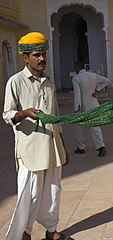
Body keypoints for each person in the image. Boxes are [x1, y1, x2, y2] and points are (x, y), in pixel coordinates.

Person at [3, 32, 73, 240]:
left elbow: (56, 116)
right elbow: (7, 115)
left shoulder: (49, 82)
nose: (42, 59)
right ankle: (25, 233)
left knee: (53, 191)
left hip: (52, 146)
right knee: (30, 194)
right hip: (30, 149)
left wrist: (63, 146)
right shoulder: (15, 82)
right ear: (25, 57)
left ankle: (51, 231)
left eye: (43, 54)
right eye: (36, 55)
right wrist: (23, 113)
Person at [72, 60, 111, 157]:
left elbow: (77, 95)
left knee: (80, 127)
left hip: (82, 107)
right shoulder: (93, 76)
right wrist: (97, 90)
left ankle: (81, 147)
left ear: (77, 68)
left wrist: (76, 108)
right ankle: (101, 146)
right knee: (95, 126)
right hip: (93, 104)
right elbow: (107, 81)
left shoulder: (77, 78)